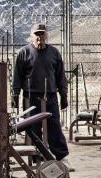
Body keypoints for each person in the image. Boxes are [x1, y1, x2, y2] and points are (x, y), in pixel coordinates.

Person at [12, 23, 69, 160]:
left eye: (42, 33)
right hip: (30, 97)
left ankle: (61, 156)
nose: (40, 37)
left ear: (46, 35)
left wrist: (63, 94)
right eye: (37, 34)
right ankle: (36, 157)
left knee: (54, 126)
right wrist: (15, 95)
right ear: (31, 36)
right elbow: (17, 76)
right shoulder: (24, 53)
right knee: (33, 128)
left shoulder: (54, 53)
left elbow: (60, 76)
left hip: (50, 95)